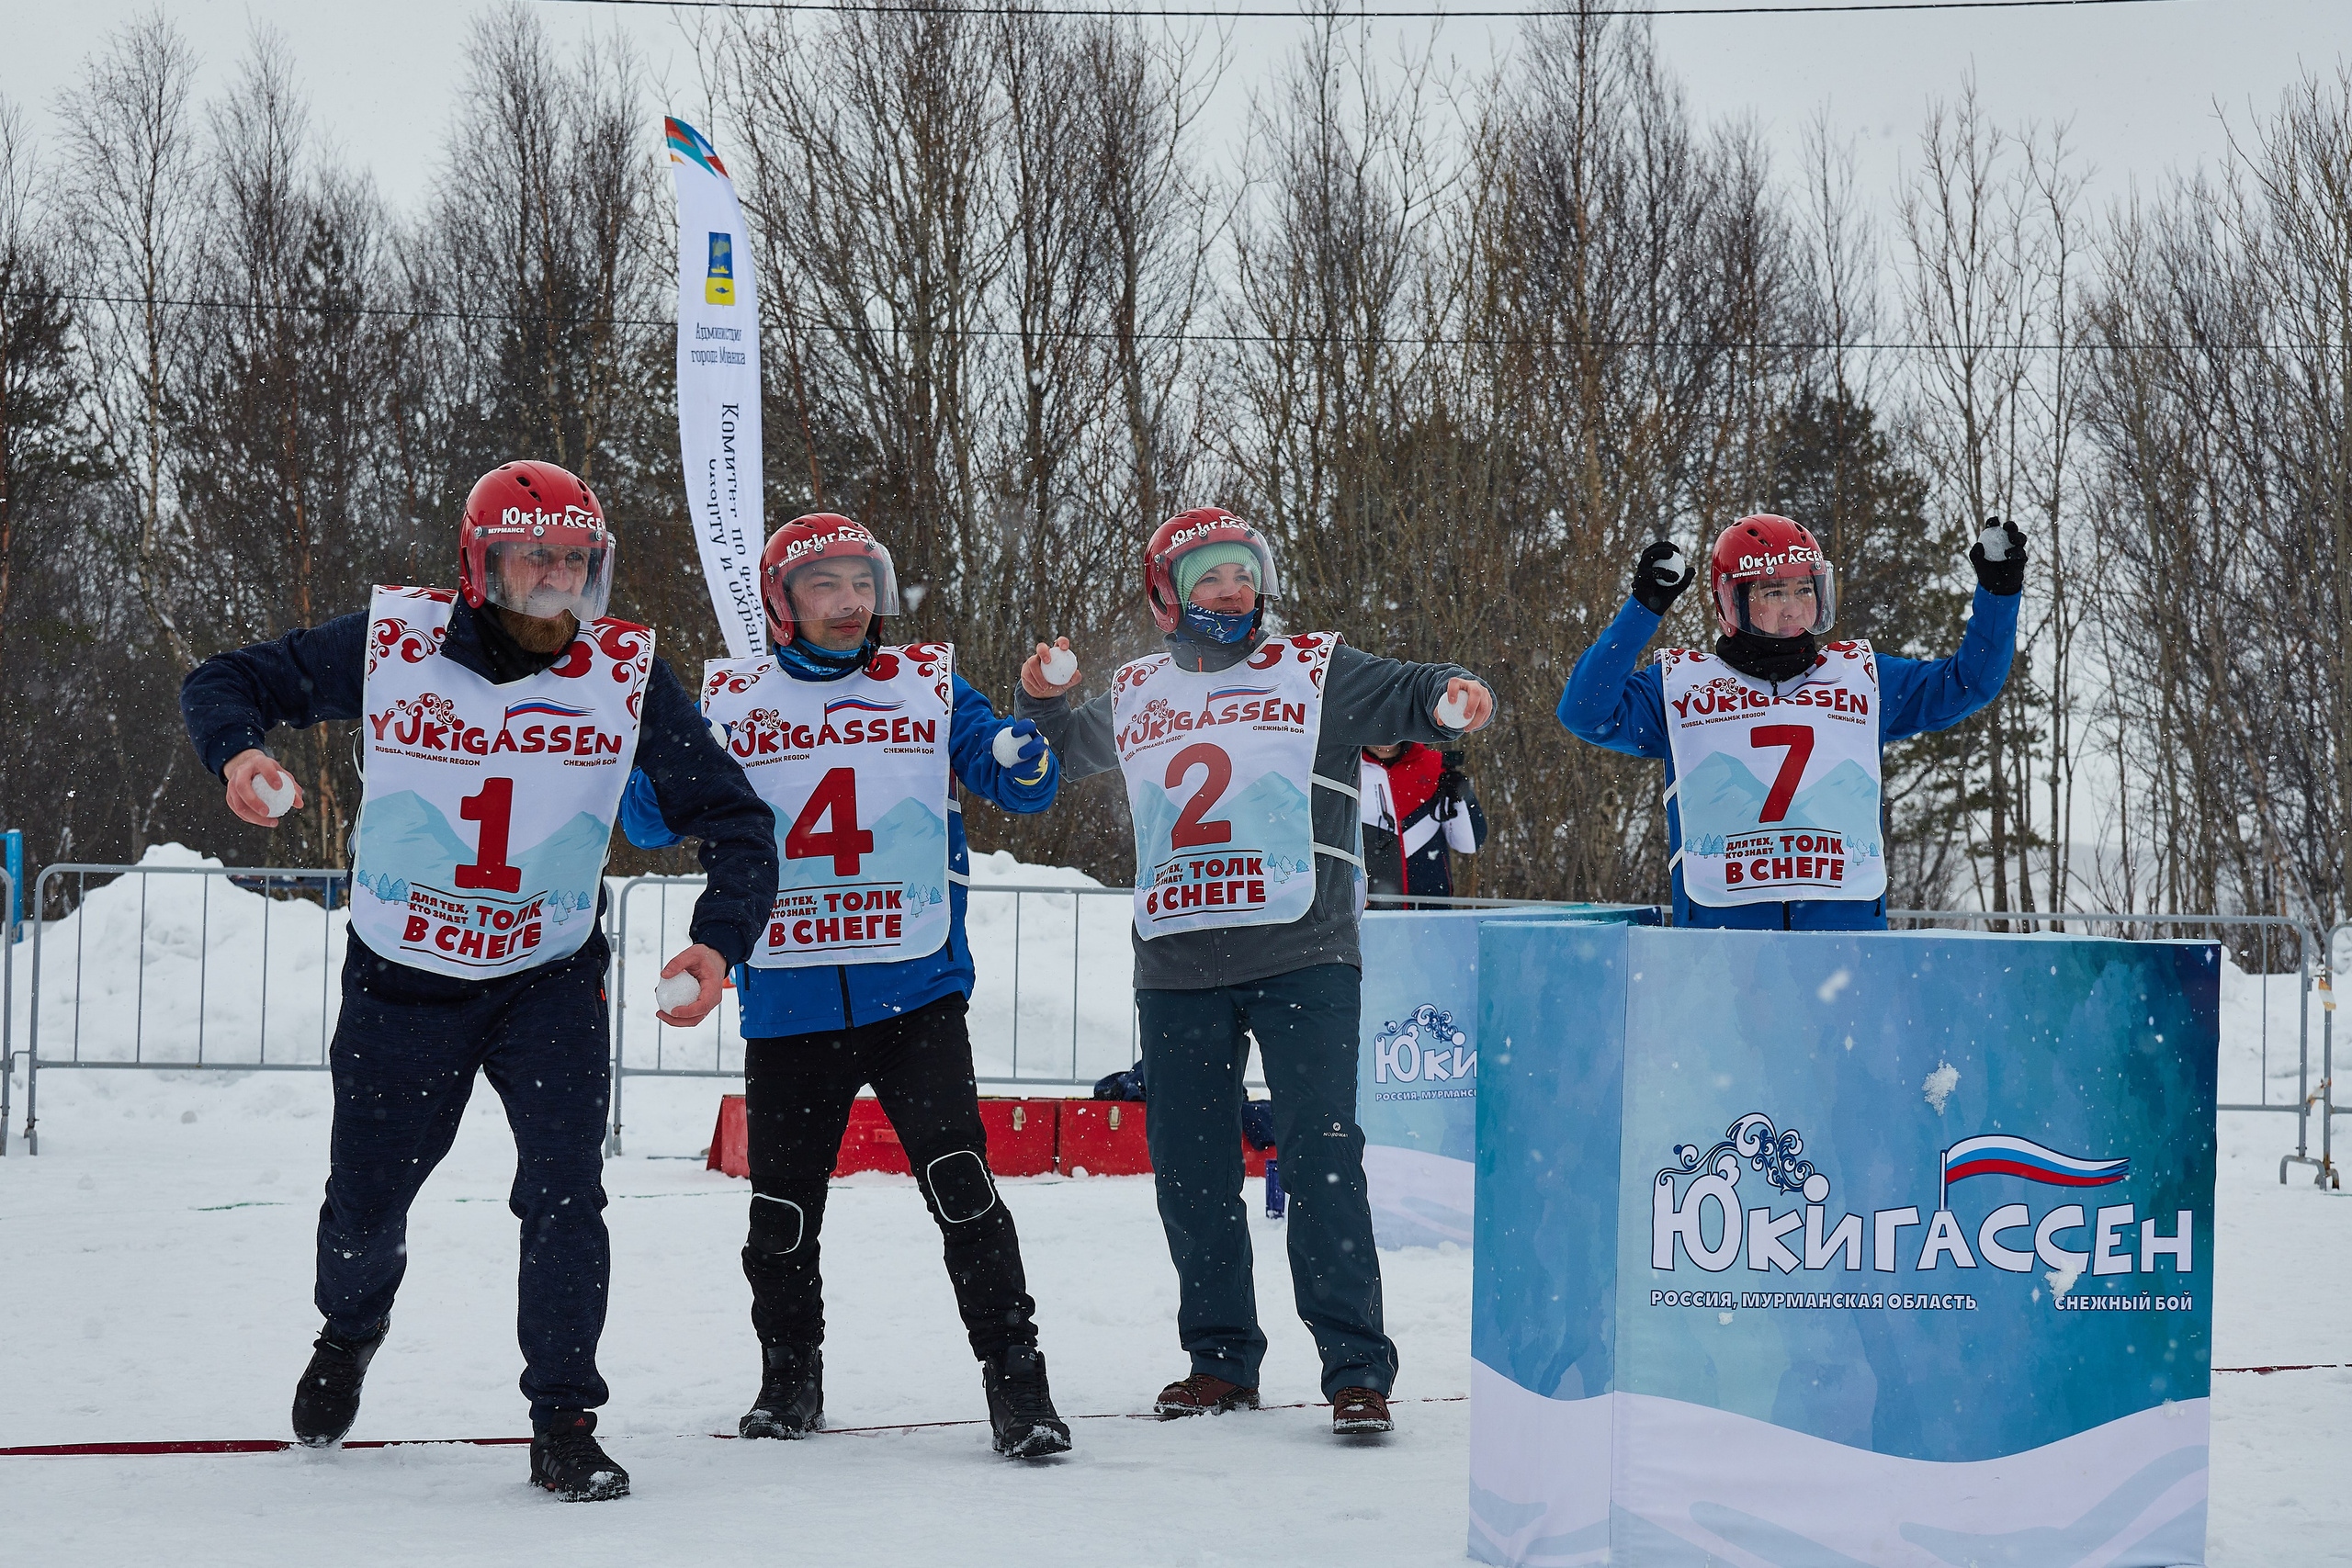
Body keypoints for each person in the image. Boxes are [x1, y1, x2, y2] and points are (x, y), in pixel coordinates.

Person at [179, 460, 778, 1502]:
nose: (555, 579)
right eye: (532, 556)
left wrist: (719, 942)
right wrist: (235, 756)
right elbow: (222, 680)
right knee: (365, 1208)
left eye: (576, 560)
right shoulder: (392, 641)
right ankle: (350, 1328)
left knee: (564, 1197)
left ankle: (564, 1418)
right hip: (403, 980)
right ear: (479, 564)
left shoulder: (628, 669)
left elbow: (735, 819)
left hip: (546, 981)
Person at [1016, 506, 1494, 1437]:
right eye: (1208, 577)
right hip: (1177, 960)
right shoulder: (1137, 688)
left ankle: (1356, 1368)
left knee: (1321, 1158)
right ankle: (1220, 1361)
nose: (1231, 593)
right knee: (1190, 1170)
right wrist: (1041, 697)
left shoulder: (1313, 669)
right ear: (1166, 597)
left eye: (1243, 574)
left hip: (1301, 949)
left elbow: (1412, 691)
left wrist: (1451, 694)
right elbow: (1053, 758)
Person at [618, 513, 1073, 1461]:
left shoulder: (927, 682)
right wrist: (633, 753)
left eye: (862, 582)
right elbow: (655, 823)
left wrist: (1020, 751)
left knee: (961, 1187)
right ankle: (790, 1375)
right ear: (782, 603)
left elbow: (1018, 779)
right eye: (825, 585)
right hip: (787, 998)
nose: (851, 603)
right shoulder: (733, 698)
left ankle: (1016, 1382)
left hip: (914, 992)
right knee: (783, 1208)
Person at [1557, 513, 2025, 929]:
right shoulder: (1681, 686)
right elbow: (1585, 711)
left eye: (1805, 589)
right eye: (1773, 591)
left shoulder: (1863, 676)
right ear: (1731, 603)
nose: (1793, 607)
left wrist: (1997, 594)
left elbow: (1968, 683)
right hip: (1724, 939)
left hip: (1845, 938)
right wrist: (1644, 607)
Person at [1358, 742, 1485, 908]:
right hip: (1370, 911)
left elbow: (1468, 844)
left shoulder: (1435, 765)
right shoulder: (1347, 768)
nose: (1384, 741)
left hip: (1431, 908)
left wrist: (1461, 797)